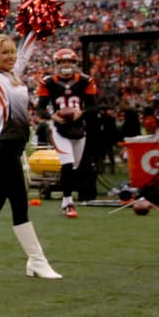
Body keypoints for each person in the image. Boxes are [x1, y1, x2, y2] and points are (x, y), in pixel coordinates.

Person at [0, 33, 62, 279]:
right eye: (4, 52)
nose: (11, 56)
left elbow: (26, 52)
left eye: (12, 52)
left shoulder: (13, 76)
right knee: (19, 205)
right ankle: (36, 261)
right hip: (3, 149)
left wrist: (34, 28)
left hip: (10, 149)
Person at [36, 48, 98, 218]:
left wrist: (81, 112)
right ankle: (67, 202)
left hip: (78, 129)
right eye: (62, 62)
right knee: (68, 164)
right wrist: (52, 116)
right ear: (57, 64)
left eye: (69, 62)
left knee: (75, 166)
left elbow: (93, 106)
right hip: (59, 130)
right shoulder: (48, 82)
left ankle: (69, 198)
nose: (66, 65)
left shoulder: (85, 80)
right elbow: (40, 108)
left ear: (74, 64)